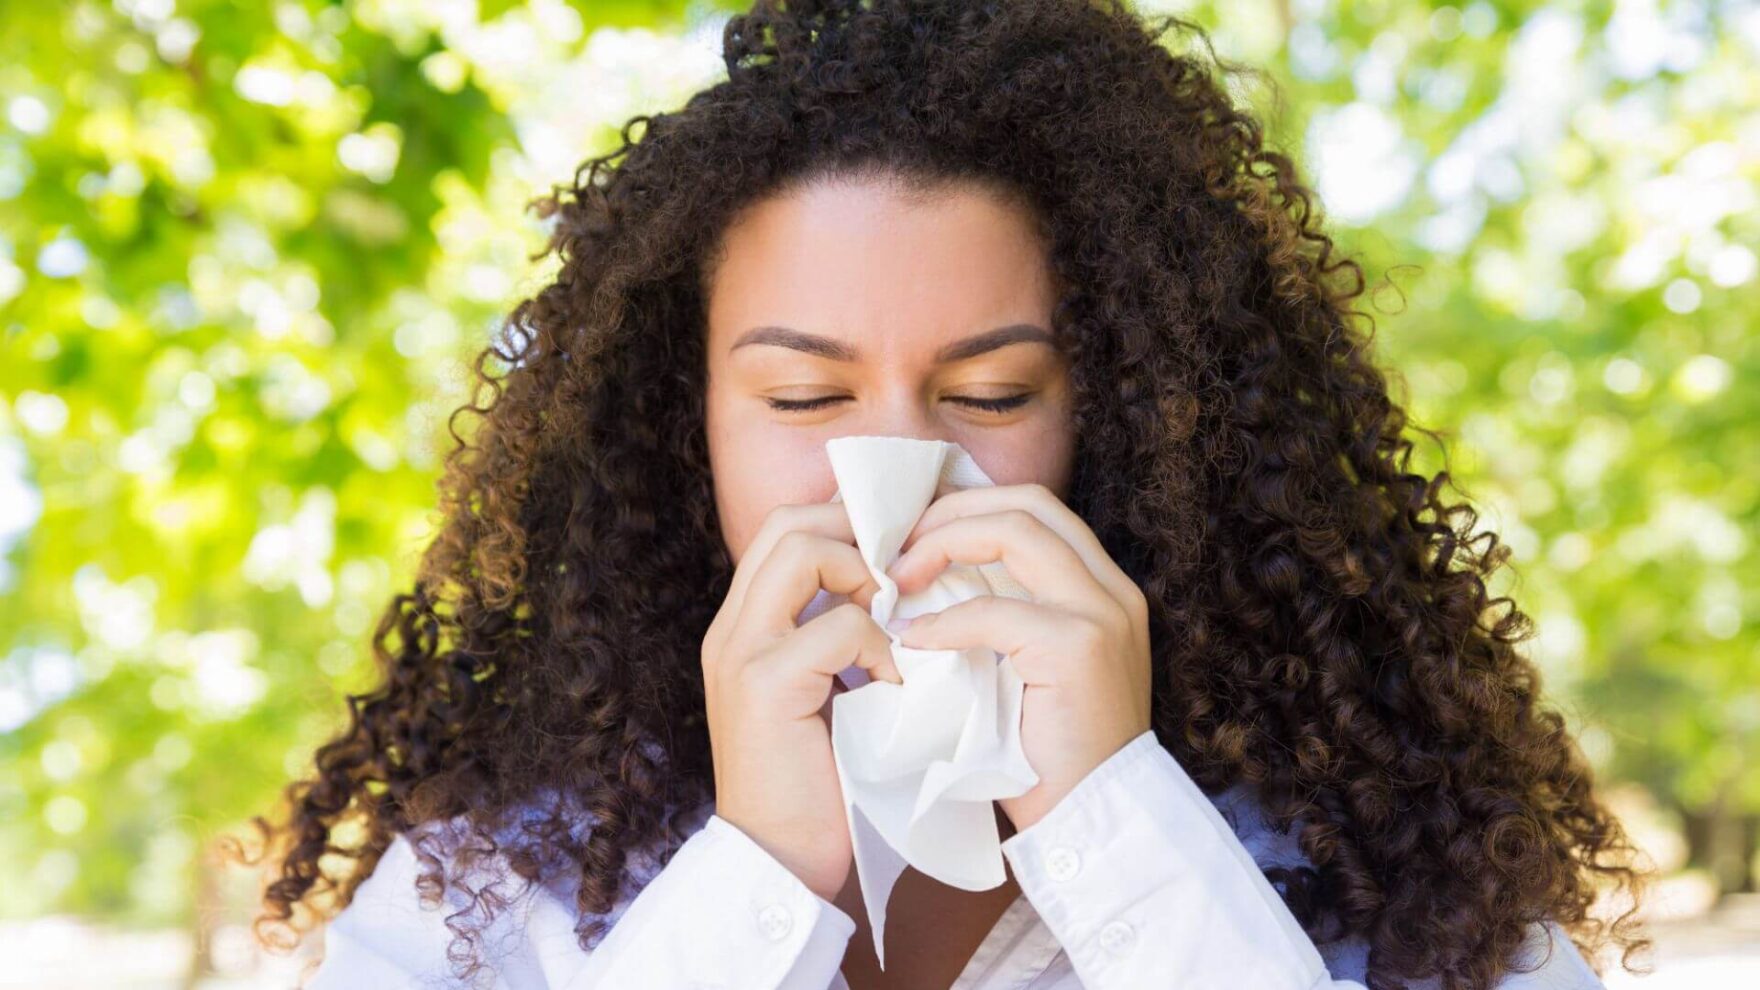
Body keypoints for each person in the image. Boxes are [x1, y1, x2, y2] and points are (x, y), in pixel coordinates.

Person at [246, 1, 1653, 987]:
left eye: (990, 395)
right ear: (690, 435)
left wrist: (1116, 820)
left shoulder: (1390, 870)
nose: (900, 480)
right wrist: (761, 872)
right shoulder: (497, 886)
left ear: (1126, 417)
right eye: (804, 398)